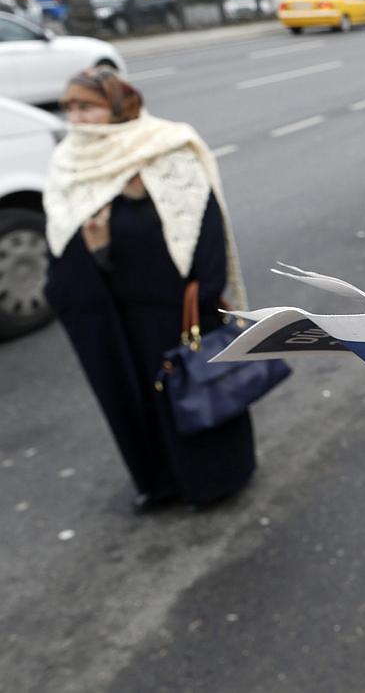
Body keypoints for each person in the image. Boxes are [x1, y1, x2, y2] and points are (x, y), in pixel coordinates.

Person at [43, 68, 254, 512]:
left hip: (176, 311)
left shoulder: (166, 148)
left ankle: (218, 480)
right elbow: (63, 248)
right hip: (116, 317)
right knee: (139, 403)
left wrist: (204, 298)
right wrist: (97, 251)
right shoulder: (68, 162)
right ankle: (161, 483)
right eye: (70, 107)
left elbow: (204, 226)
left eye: (87, 106)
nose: (76, 118)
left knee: (199, 395)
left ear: (119, 106)